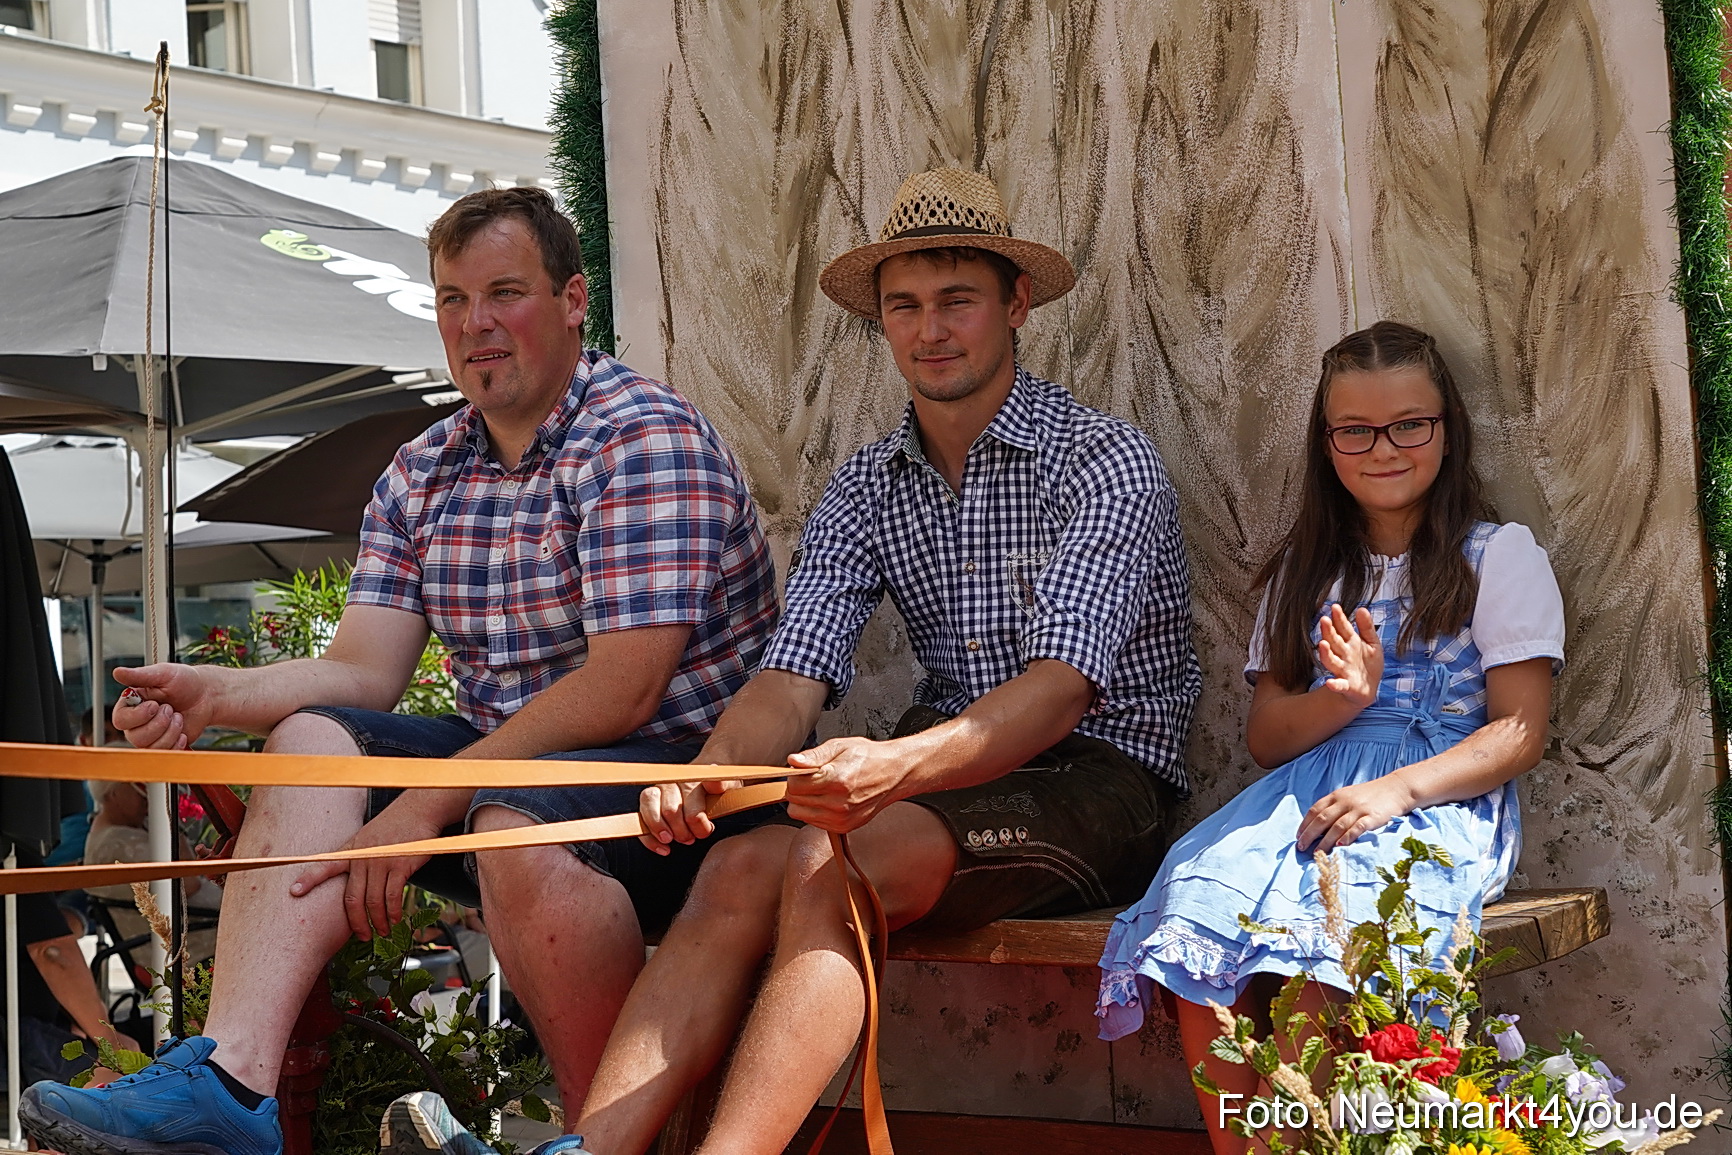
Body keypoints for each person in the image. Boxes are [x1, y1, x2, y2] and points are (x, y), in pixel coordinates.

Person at [380, 167, 1203, 1155]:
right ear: (881, 322)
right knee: (735, 866)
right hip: (937, 781)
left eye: (957, 301)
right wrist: (703, 777)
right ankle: (589, 1151)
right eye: (904, 306)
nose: (929, 330)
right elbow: (787, 679)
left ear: (1016, 304)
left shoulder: (1104, 459)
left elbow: (1059, 694)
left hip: (1100, 779)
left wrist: (890, 764)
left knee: (828, 857)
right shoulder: (863, 486)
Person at [19, 186, 781, 1155]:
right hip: (510, 774)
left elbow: (622, 687)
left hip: (685, 789)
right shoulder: (421, 468)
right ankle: (231, 1087)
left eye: (504, 293)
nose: (475, 323)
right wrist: (219, 695)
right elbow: (363, 671)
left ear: (573, 299)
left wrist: (423, 805)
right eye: (453, 299)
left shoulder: (641, 436)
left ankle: (598, 1142)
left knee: (511, 822)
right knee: (312, 742)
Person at [1094, 321, 1563, 1155]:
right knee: (1194, 897)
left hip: (1433, 793)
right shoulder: (1308, 570)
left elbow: (1519, 731)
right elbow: (1269, 735)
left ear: (1447, 429)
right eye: (1356, 430)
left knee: (1318, 946)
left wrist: (1396, 790)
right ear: (1326, 441)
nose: (1383, 448)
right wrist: (1345, 699)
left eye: (1408, 424)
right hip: (1309, 786)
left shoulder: (1496, 556)